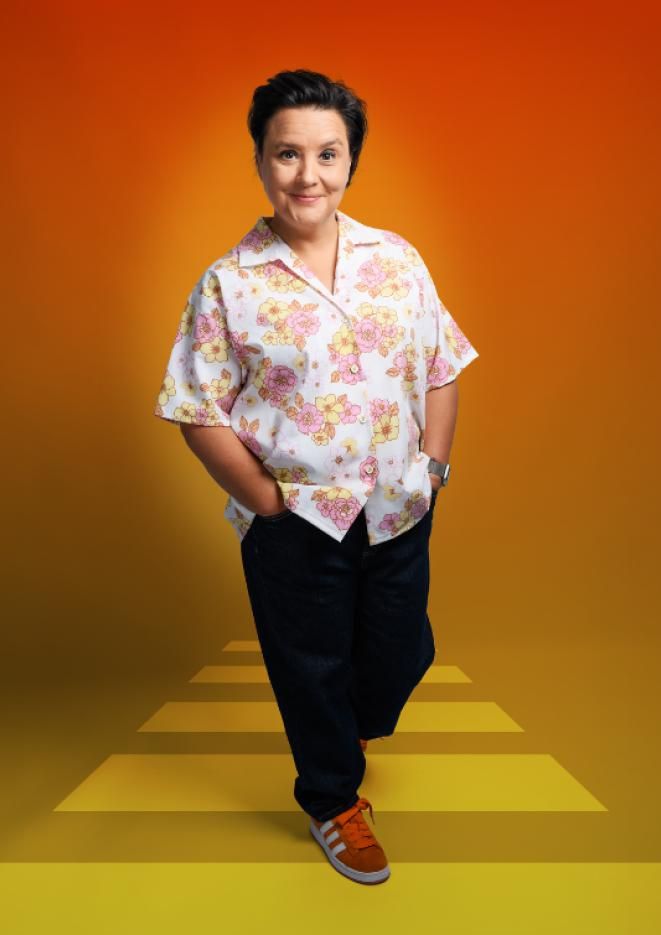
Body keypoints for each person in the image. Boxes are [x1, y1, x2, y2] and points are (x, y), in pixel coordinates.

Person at [153, 68, 479, 885]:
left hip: (400, 507)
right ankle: (332, 798)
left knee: (397, 650)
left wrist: (432, 464)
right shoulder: (230, 282)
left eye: (327, 153)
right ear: (261, 161)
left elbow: (442, 364)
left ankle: (350, 726)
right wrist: (265, 501)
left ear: (350, 160)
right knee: (311, 666)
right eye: (287, 153)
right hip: (298, 522)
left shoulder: (396, 259)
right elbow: (197, 407)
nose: (308, 174)